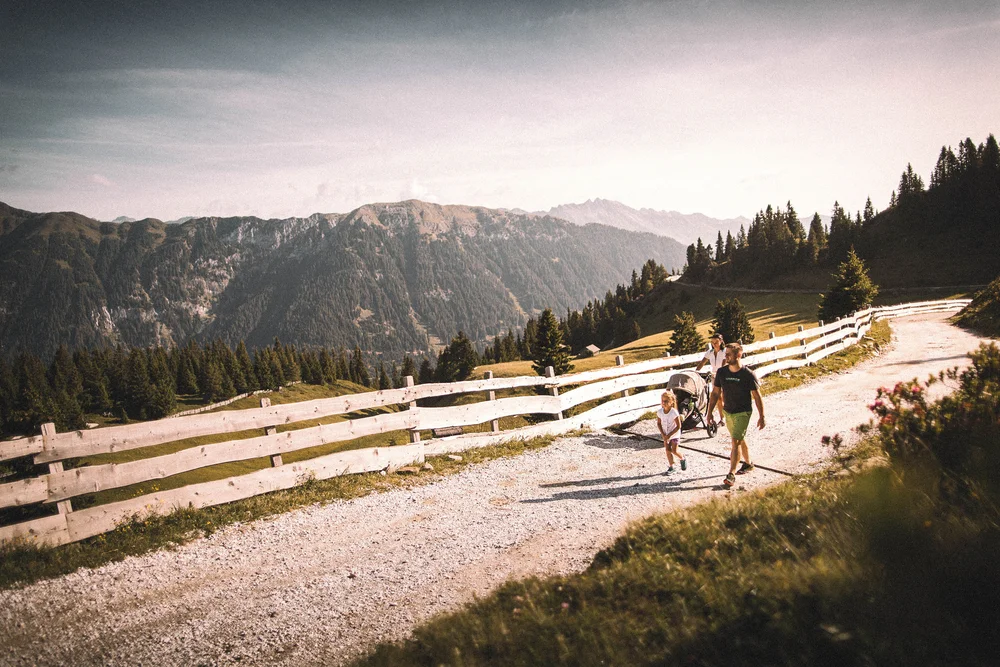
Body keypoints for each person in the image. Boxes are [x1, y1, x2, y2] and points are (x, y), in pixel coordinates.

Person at [707, 343, 764, 488]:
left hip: (743, 412)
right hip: (728, 411)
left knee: (735, 441)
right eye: (725, 354)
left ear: (738, 355)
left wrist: (762, 416)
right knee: (739, 438)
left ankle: (731, 474)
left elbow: (757, 396)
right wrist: (709, 413)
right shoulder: (722, 372)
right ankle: (749, 463)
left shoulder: (748, 374)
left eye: (728, 354)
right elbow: (715, 393)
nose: (725, 357)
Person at [695, 333, 726, 422]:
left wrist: (720, 373)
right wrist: (696, 372)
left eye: (716, 342)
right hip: (714, 376)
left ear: (721, 341)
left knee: (725, 397)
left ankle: (729, 414)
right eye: (712, 342)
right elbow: (702, 363)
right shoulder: (710, 352)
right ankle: (722, 418)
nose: (714, 344)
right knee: (718, 397)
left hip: (724, 375)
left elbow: (724, 364)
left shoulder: (724, 352)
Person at [656, 391, 687, 474]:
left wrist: (669, 435)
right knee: (667, 450)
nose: (664, 403)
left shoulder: (674, 412)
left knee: (674, 450)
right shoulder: (660, 412)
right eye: (662, 401)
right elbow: (659, 423)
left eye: (666, 401)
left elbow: (678, 426)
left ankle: (682, 458)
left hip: (674, 435)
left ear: (671, 402)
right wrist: (663, 434)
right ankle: (671, 466)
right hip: (666, 435)